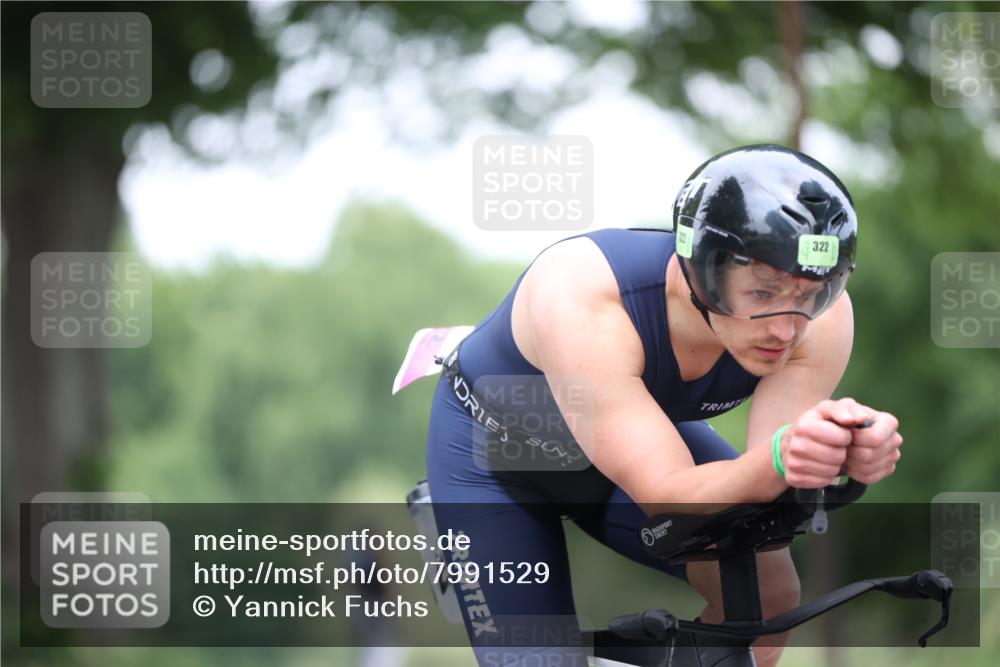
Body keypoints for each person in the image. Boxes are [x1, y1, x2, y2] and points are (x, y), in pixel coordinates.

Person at [422, 144, 903, 667]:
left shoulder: (821, 323)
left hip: (629, 448)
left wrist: (840, 456)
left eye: (814, 293)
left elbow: (767, 479)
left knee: (769, 590)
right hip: (495, 461)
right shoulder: (582, 294)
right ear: (704, 270)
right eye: (763, 294)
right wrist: (785, 456)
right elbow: (670, 497)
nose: (787, 328)